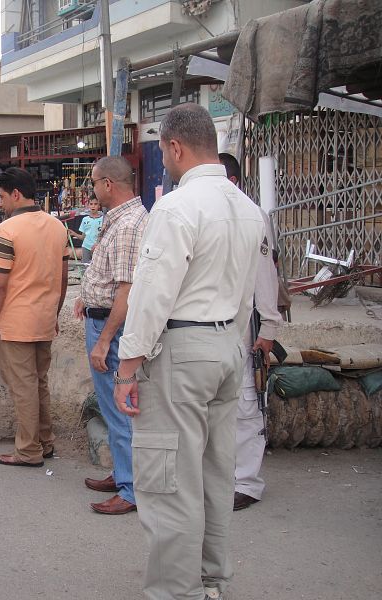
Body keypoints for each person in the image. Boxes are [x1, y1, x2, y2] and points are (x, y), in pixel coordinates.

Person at [114, 103, 265, 600]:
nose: (165, 159)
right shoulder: (247, 208)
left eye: (163, 151)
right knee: (215, 476)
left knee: (169, 482)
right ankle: (211, 580)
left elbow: (152, 294)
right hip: (226, 346)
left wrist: (127, 367)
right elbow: (247, 293)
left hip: (181, 349)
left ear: (175, 147)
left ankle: (177, 592)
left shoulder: (177, 207)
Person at [73, 156, 147, 514]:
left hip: (110, 327)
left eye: (93, 182)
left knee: (120, 409)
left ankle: (131, 489)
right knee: (111, 404)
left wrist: (104, 340)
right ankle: (122, 474)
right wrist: (85, 297)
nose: (92, 190)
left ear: (108, 184)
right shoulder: (118, 219)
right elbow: (109, 275)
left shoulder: (128, 224)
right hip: (101, 319)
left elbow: (127, 290)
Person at [0, 167, 70, 467]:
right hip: (45, 319)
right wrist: (54, 312)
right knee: (39, 383)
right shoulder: (57, 227)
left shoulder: (8, 229)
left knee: (23, 388)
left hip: (16, 321)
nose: (0, 202)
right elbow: (63, 278)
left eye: (2, 196)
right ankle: (45, 441)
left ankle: (28, 450)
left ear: (16, 194)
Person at [219, 152, 284, 512]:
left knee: (247, 404)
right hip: (211, 329)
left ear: (231, 181)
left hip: (244, 328)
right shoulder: (206, 211)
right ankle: (222, 477)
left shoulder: (251, 214)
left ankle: (246, 482)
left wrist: (269, 326)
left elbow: (265, 275)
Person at [69, 198, 103, 262]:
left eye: (95, 204)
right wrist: (74, 234)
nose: (93, 206)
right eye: (91, 204)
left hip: (98, 247)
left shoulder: (103, 219)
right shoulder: (85, 219)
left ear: (99, 206)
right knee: (85, 266)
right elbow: (83, 237)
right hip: (86, 247)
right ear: (88, 205)